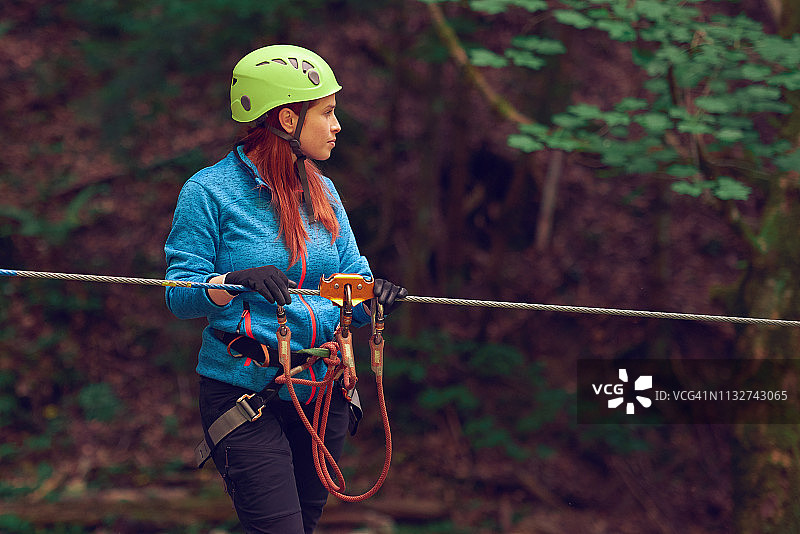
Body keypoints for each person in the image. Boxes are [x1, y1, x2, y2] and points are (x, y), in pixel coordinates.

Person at [164, 44, 407, 534]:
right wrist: (229, 283)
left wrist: (370, 295)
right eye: (328, 113)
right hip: (241, 391)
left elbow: (349, 292)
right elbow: (178, 294)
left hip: (322, 392)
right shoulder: (208, 192)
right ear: (289, 120)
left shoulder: (324, 191)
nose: (338, 126)